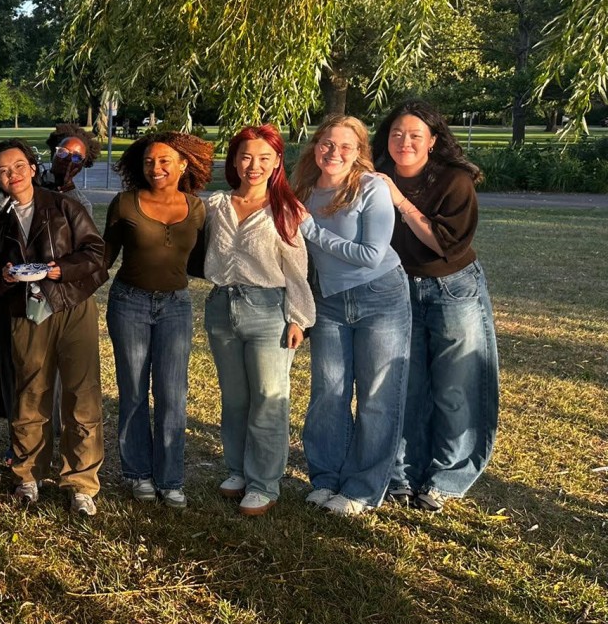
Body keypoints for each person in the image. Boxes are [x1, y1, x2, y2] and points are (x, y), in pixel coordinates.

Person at [373, 100, 500, 513]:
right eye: (396, 133)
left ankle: (448, 477)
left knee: (456, 387)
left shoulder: (453, 181)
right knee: (406, 387)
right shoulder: (375, 175)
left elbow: (445, 244)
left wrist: (400, 202)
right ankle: (404, 474)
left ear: (432, 141)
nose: (403, 141)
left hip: (452, 289)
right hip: (398, 289)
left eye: (414, 135)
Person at [293, 114, 410, 516]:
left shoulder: (370, 187)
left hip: (381, 295)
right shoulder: (305, 190)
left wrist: (312, 230)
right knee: (329, 392)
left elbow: (370, 255)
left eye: (346, 146)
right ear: (315, 146)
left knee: (378, 395)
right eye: (327, 144)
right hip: (328, 299)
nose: (335, 153)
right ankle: (326, 479)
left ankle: (362, 489)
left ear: (359, 151)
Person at [0, 140, 108, 516]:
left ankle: (81, 483)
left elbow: (95, 252)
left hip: (71, 304)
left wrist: (60, 269)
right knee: (30, 391)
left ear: (33, 168)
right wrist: (6, 277)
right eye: (4, 170)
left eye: (19, 166)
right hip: (26, 311)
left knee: (81, 393)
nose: (13, 175)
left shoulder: (63, 206)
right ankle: (28, 474)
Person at [202, 125, 313, 516]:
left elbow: (297, 270)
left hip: (269, 311)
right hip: (221, 308)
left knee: (268, 398)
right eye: (247, 156)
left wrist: (299, 318)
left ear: (277, 162)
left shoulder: (286, 209)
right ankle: (237, 470)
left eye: (264, 158)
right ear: (234, 160)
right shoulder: (215, 205)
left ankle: (264, 483)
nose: (254, 165)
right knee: (234, 399)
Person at [104, 131, 213, 508]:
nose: (156, 168)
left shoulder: (197, 209)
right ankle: (138, 474)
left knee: (172, 395)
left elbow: (201, 262)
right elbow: (103, 258)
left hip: (176, 307)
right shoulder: (124, 204)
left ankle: (170, 479)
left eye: (165, 160)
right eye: (150, 161)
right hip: (128, 303)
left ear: (183, 164)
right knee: (133, 392)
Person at [43, 123, 102, 214]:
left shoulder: (82, 205)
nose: (68, 159)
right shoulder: (32, 183)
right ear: (53, 153)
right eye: (63, 152)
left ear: (82, 165)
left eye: (76, 157)